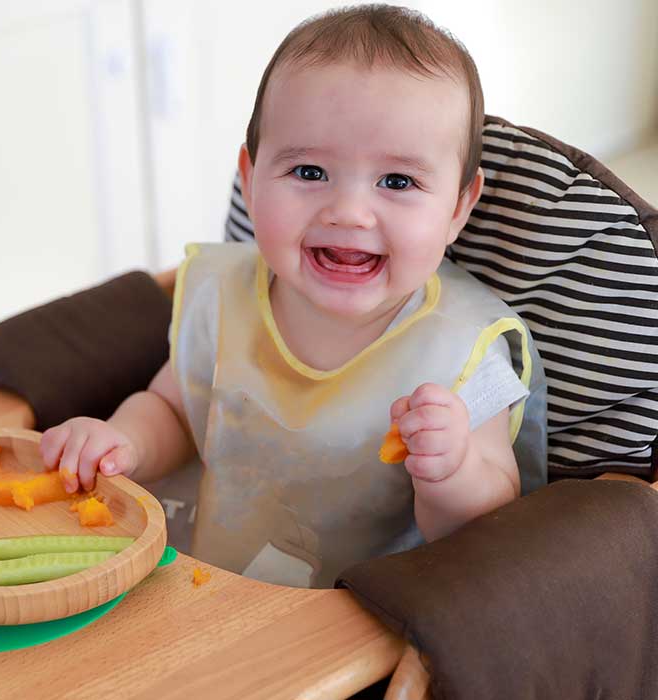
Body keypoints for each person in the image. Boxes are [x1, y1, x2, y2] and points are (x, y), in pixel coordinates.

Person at [40, 4, 547, 588]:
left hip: (350, 625)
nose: (350, 212)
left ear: (459, 207)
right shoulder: (223, 298)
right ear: (251, 180)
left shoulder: (463, 349)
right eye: (309, 172)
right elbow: (175, 411)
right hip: (204, 575)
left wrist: (452, 470)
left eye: (398, 182)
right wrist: (121, 442)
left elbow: (494, 520)